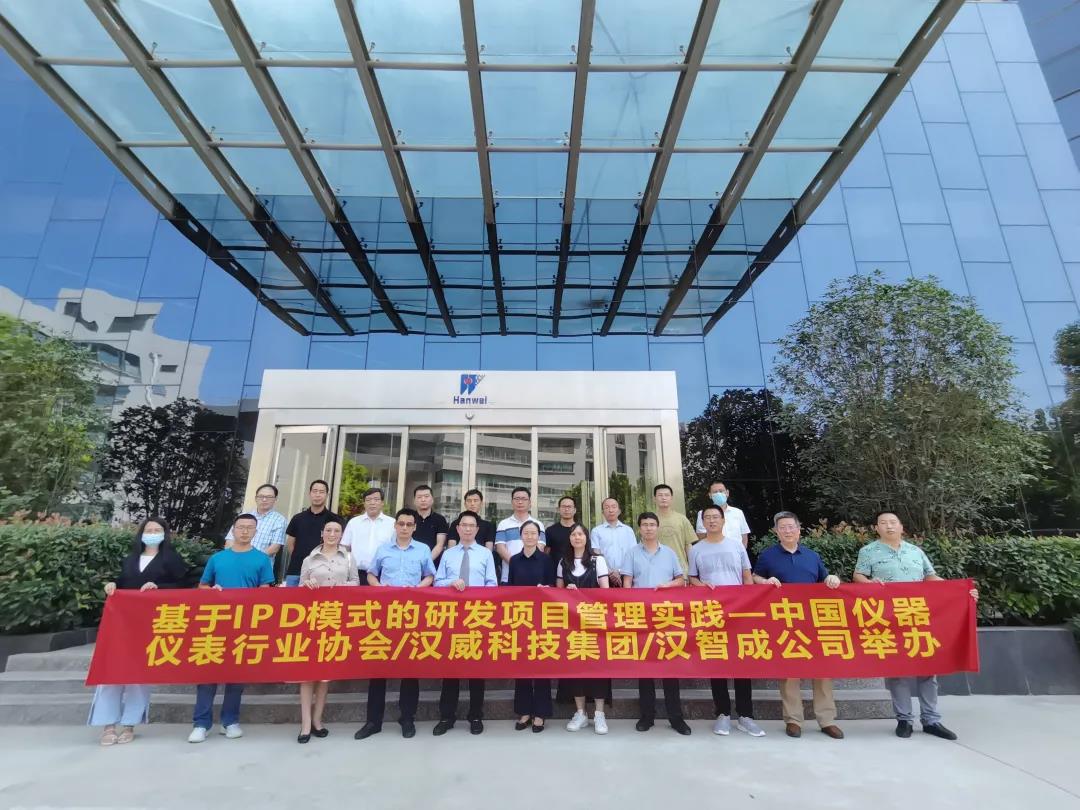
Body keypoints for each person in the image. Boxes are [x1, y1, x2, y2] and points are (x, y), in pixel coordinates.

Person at [854, 510, 978, 741]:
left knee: (927, 668)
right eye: (883, 523)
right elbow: (858, 576)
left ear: (901, 527)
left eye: (893, 522)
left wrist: (961, 591)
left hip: (918, 616)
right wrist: (869, 583)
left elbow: (930, 577)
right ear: (876, 528)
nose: (889, 526)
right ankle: (904, 720)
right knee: (897, 670)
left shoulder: (915, 551)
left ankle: (931, 720)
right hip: (889, 618)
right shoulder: (868, 551)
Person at [91, 518, 189, 746]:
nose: (152, 533)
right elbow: (121, 581)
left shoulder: (171, 559)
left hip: (151, 623)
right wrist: (112, 585)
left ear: (164, 534)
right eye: (149, 530)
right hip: (122, 622)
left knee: (138, 675)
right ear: (141, 534)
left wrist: (158, 587)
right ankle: (107, 725)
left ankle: (129, 724)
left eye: (157, 530)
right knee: (110, 671)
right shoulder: (131, 558)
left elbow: (182, 586)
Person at [753, 511, 844, 740]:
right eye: (782, 527)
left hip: (813, 621)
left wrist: (832, 579)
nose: (787, 531)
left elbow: (824, 579)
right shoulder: (768, 556)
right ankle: (793, 720)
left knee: (822, 670)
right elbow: (755, 578)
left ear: (798, 529)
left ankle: (827, 720)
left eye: (791, 526)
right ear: (776, 532)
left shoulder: (812, 556)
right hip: (785, 622)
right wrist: (765, 581)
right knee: (789, 671)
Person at [188, 513, 274, 743]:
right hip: (216, 623)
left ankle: (230, 721)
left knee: (236, 676)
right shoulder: (218, 558)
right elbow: (202, 586)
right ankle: (201, 723)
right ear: (233, 530)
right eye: (241, 527)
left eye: (250, 528)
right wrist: (212, 592)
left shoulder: (262, 560)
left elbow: (266, 590)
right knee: (207, 674)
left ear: (256, 532)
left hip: (244, 625)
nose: (245, 531)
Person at [355, 509, 436, 740]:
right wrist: (379, 588)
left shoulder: (423, 549)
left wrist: (418, 589)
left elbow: (430, 576)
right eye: (401, 524)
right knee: (378, 667)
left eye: (409, 524)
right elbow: (371, 574)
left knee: (410, 668)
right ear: (395, 526)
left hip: (412, 614)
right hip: (385, 614)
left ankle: (407, 718)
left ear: (414, 527)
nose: (404, 528)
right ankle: (373, 721)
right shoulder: (383, 549)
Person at [689, 505, 764, 737]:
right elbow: (692, 578)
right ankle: (722, 713)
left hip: (738, 612)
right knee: (717, 661)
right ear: (703, 523)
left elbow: (746, 577)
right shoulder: (696, 549)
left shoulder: (736, 545)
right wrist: (701, 585)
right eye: (707, 518)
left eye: (715, 517)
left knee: (742, 662)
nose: (712, 521)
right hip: (711, 613)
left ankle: (745, 715)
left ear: (723, 521)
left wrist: (750, 604)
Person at [621, 512, 690, 735]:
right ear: (639, 528)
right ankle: (647, 716)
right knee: (645, 669)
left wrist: (667, 586)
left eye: (652, 524)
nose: (649, 528)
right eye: (645, 525)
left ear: (657, 527)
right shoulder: (631, 553)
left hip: (666, 617)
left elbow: (681, 580)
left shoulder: (669, 553)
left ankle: (676, 717)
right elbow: (627, 584)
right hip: (641, 617)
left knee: (670, 668)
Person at [432, 511, 498, 735]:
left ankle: (476, 715)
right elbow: (437, 583)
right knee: (450, 669)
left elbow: (492, 584)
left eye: (472, 525)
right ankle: (446, 716)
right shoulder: (448, 554)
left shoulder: (486, 554)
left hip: (477, 616)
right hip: (451, 616)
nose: (468, 529)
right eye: (464, 525)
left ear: (477, 529)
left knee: (476, 670)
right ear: (458, 529)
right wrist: (451, 582)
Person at [296, 517, 358, 744]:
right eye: (329, 530)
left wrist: (341, 587)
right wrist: (307, 585)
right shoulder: (309, 559)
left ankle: (317, 720)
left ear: (341, 535)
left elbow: (356, 583)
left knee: (324, 674)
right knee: (307, 674)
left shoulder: (348, 558)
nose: (332, 534)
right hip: (312, 620)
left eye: (337, 531)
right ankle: (304, 724)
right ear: (322, 533)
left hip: (336, 619)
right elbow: (299, 587)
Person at [556, 523, 612, 734]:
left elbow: (606, 592)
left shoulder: (598, 561)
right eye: (573, 534)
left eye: (580, 534)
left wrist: (581, 593)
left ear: (586, 538)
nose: (577, 537)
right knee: (575, 667)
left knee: (598, 667)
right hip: (572, 624)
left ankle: (599, 713)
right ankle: (580, 712)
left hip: (595, 621)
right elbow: (557, 594)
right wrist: (568, 592)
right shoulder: (563, 562)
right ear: (569, 538)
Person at [507, 520, 556, 732]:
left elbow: (554, 586)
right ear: (521, 536)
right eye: (526, 533)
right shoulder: (514, 560)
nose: (529, 536)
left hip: (542, 618)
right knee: (522, 666)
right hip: (520, 618)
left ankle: (541, 714)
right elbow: (510, 587)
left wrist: (545, 588)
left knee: (542, 666)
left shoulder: (546, 560)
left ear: (539, 537)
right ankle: (524, 711)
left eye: (533, 533)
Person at [284, 480, 342, 587]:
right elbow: (290, 544)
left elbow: (338, 545)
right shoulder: (297, 518)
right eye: (315, 491)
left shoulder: (334, 519)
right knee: (292, 598)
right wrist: (300, 558)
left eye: (321, 492)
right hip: (295, 570)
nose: (317, 495)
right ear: (309, 493)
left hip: (322, 572)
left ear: (327, 495)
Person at [341, 487, 395, 586]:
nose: (372, 503)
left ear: (382, 503)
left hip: (383, 574)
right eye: (368, 500)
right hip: (357, 574)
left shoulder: (392, 523)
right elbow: (345, 547)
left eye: (376, 499)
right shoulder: (354, 523)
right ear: (364, 503)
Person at [495, 487, 546, 584]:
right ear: (512, 502)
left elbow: (540, 548)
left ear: (530, 502)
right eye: (517, 499)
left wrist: (525, 567)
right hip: (508, 577)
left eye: (524, 499)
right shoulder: (503, 524)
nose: (520, 502)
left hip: (534, 576)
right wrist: (517, 565)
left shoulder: (538, 525)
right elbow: (500, 549)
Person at [225, 483, 286, 558]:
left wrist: (253, 559)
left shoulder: (279, 520)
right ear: (256, 498)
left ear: (275, 499)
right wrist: (234, 557)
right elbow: (230, 540)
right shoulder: (243, 516)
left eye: (269, 497)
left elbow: (275, 547)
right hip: (235, 559)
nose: (264, 499)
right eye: (261, 496)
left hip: (259, 562)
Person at [591, 497, 638, 583]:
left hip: (626, 575)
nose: (611, 510)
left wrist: (619, 571)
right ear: (602, 512)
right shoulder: (596, 531)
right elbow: (596, 555)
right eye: (607, 507)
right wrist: (609, 572)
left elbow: (633, 554)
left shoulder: (628, 530)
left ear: (619, 511)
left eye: (613, 507)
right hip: (603, 576)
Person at [652, 483, 695, 575]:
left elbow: (688, 546)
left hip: (681, 569)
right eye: (660, 495)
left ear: (671, 498)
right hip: (657, 569)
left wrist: (692, 570)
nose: (663, 498)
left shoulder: (682, 519)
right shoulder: (650, 521)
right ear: (654, 499)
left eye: (666, 495)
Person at [694, 481, 751, 546]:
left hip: (736, 551)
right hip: (714, 551)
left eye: (721, 491)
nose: (718, 494)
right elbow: (701, 537)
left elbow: (744, 537)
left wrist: (741, 551)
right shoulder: (703, 513)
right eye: (715, 492)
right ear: (710, 495)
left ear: (727, 493)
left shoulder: (738, 513)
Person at [411, 484, 449, 563]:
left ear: (432, 499)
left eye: (426, 496)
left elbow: (440, 545)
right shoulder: (409, 518)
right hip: (410, 562)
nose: (423, 499)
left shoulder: (440, 519)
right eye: (419, 497)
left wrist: (426, 562)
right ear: (414, 501)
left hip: (432, 563)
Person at [543, 494, 577, 565]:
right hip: (554, 569)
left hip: (577, 569)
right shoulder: (550, 531)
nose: (566, 509)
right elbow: (546, 553)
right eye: (563, 507)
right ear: (558, 510)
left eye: (569, 507)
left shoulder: (581, 531)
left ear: (574, 510)